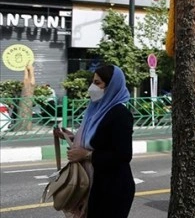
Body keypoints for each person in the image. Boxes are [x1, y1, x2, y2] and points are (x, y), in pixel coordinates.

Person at [55, 65, 135, 218]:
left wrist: (86, 155)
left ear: (111, 85)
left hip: (112, 189)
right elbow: (98, 140)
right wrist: (72, 137)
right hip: (93, 185)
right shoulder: (95, 110)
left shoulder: (120, 114)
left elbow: (123, 155)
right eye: (93, 82)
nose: (93, 87)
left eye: (98, 83)